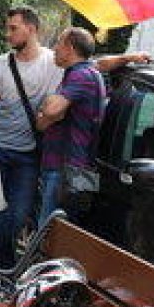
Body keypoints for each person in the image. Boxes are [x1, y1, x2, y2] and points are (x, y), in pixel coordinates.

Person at [0, 6, 63, 270]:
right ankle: (5, 275)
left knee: (18, 215)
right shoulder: (0, 64)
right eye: (7, 28)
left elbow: (87, 66)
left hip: (28, 156)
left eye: (13, 28)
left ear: (31, 29)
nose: (7, 34)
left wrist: (126, 58)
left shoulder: (52, 63)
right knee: (1, 216)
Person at [36, 27, 107, 224]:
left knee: (50, 235)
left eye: (58, 43)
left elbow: (48, 113)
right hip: (73, 171)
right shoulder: (86, 72)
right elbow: (41, 124)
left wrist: (47, 102)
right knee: (62, 234)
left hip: (67, 171)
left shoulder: (81, 76)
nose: (54, 49)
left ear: (70, 47)